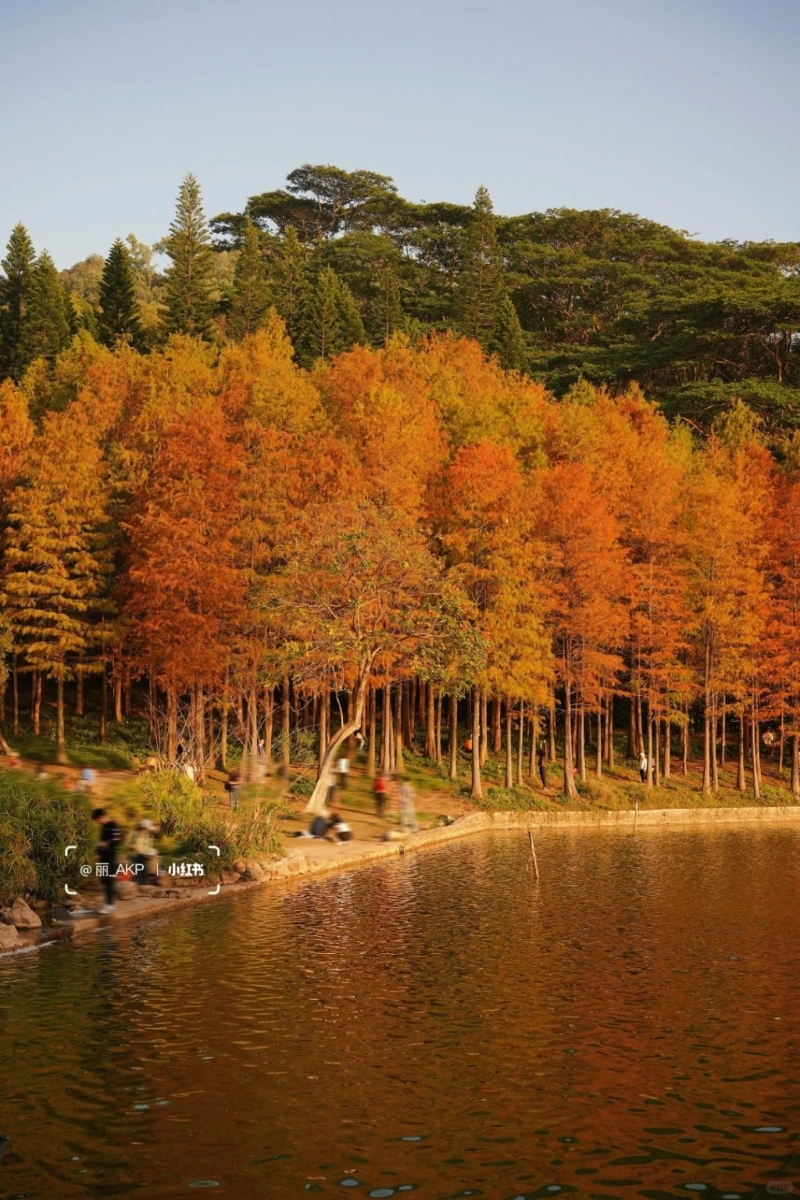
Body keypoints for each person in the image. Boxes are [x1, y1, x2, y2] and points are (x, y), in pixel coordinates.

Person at [92, 808, 123, 913]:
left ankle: (110, 905)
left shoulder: (113, 825)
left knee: (109, 881)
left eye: (98, 820)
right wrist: (98, 852)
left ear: (101, 817)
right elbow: (101, 842)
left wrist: (106, 843)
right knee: (104, 881)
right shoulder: (103, 827)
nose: (98, 822)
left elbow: (118, 839)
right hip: (103, 858)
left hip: (110, 858)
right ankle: (107, 904)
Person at [128, 819, 157, 886]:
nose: (148, 831)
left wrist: (150, 853)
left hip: (145, 855)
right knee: (139, 864)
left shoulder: (149, 836)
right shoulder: (134, 834)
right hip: (135, 855)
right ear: (143, 828)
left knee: (153, 859)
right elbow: (129, 845)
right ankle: (139, 882)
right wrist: (134, 847)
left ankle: (149, 879)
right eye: (147, 829)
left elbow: (148, 847)